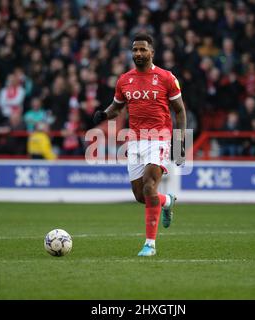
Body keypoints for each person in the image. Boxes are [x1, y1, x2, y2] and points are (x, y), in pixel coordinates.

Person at [93, 34, 186, 257]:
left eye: (143, 50)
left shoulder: (166, 78)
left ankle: (150, 245)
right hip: (134, 141)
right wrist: (104, 114)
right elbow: (117, 107)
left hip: (159, 138)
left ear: (152, 52)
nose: (138, 54)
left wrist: (181, 139)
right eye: (135, 50)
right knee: (140, 195)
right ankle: (167, 201)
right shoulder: (125, 80)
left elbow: (180, 110)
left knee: (148, 186)